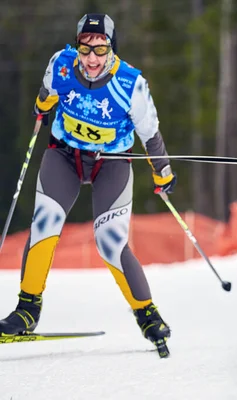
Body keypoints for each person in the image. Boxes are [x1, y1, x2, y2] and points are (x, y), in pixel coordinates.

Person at [0, 13, 176, 348]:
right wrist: (41, 107)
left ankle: (147, 314)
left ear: (112, 49)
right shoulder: (61, 64)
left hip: (110, 164)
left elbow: (150, 136)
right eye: (85, 48)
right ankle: (26, 311)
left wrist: (162, 173)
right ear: (77, 47)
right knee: (45, 223)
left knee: (110, 242)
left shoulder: (131, 84)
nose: (92, 58)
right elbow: (47, 93)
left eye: (100, 49)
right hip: (64, 155)